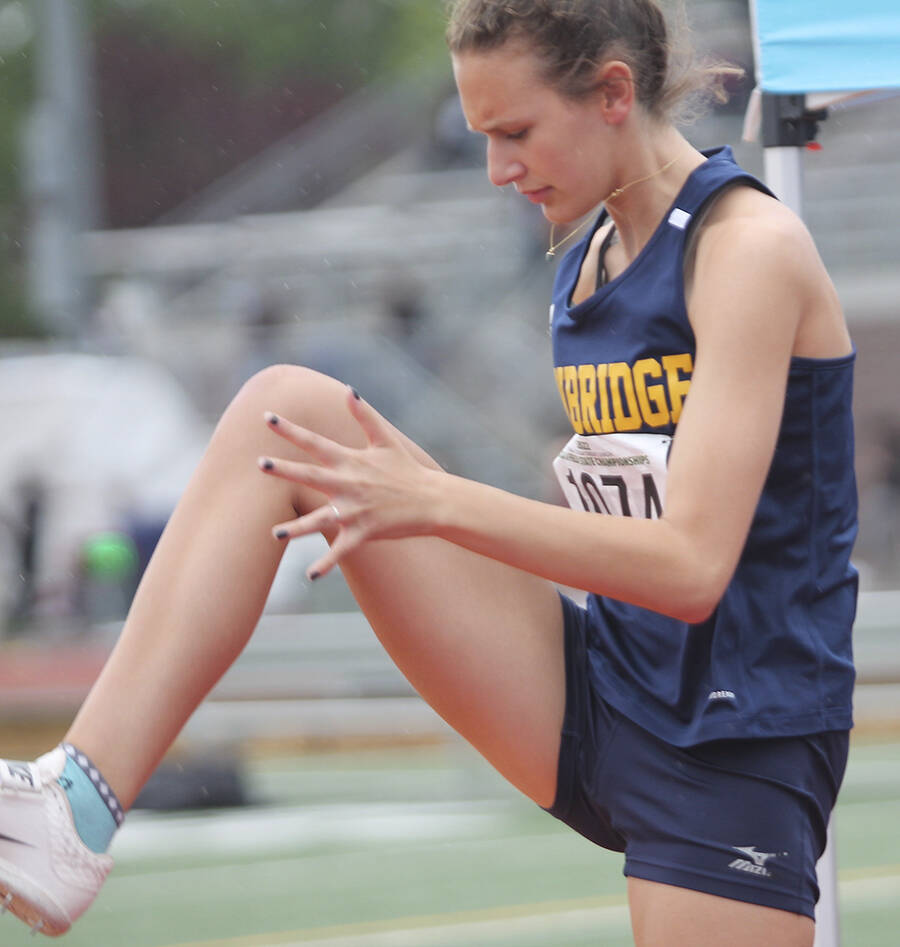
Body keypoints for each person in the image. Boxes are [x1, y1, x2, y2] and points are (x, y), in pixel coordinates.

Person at [0, 1, 857, 943]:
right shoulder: (592, 260)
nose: (498, 171)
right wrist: (417, 493)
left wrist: (437, 501)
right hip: (602, 685)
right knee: (284, 414)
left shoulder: (747, 251)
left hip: (735, 743)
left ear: (615, 90)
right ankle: (74, 802)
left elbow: (693, 566)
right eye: (480, 137)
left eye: (516, 132)